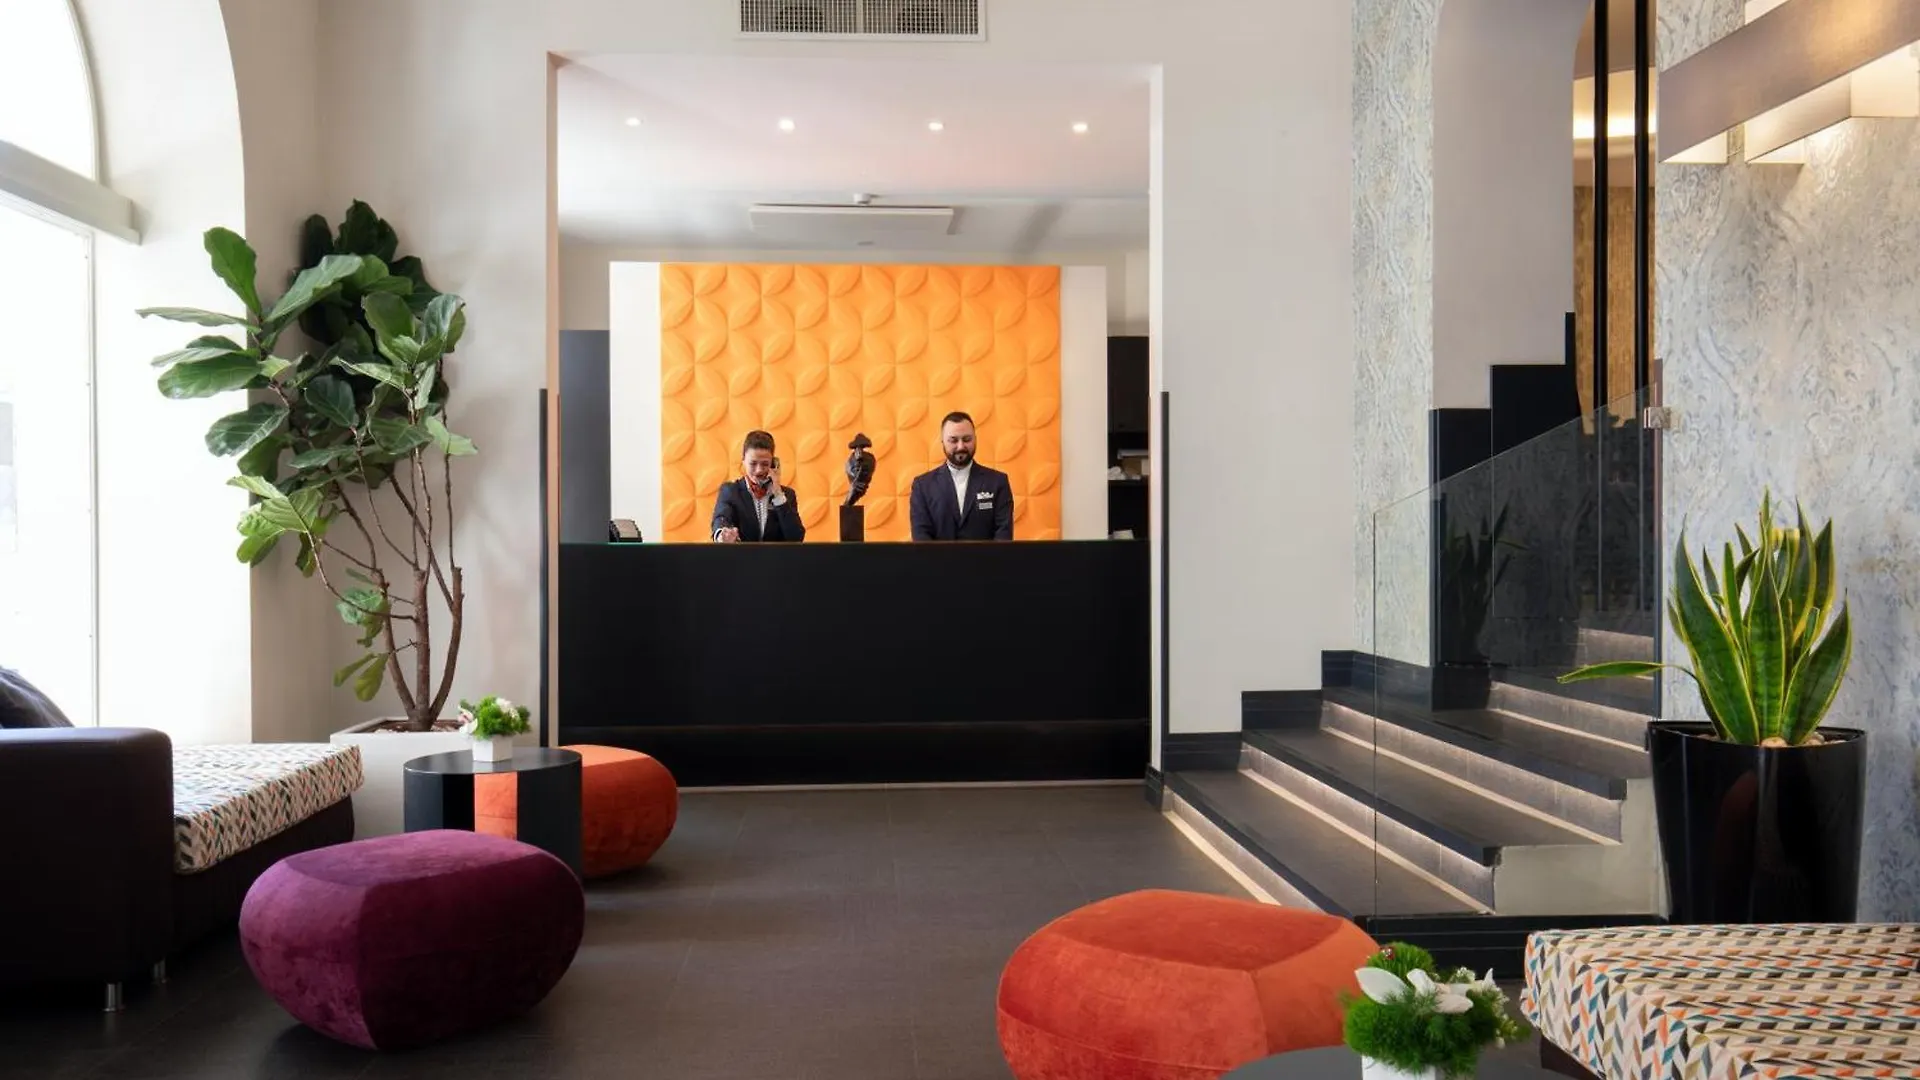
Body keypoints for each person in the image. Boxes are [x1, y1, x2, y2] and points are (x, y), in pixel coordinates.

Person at [908, 411, 1014, 541]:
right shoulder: (922, 486)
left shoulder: (997, 482)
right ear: (942, 442)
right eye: (953, 440)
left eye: (967, 439)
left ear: (975, 439)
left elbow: (1003, 535)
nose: (960, 446)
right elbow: (921, 538)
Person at [711, 430, 805, 542]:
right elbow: (721, 519)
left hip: (775, 554)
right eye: (753, 463)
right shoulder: (730, 491)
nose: (759, 470)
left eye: (765, 464)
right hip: (742, 553)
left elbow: (796, 538)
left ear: (773, 463)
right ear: (743, 461)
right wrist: (722, 534)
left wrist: (778, 494)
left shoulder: (787, 495)